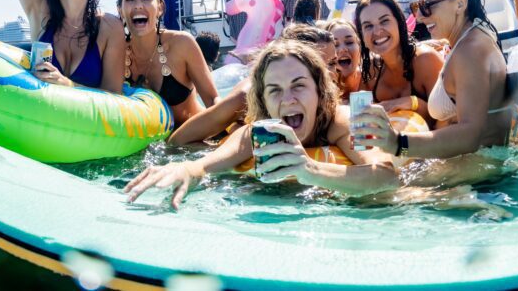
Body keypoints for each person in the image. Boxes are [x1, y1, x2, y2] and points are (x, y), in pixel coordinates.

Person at [126, 40, 398, 209]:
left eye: (299, 86)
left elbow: (386, 176)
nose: (288, 99)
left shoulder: (343, 120)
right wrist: (184, 169)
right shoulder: (256, 133)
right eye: (275, 90)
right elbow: (202, 165)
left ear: (319, 91)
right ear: (264, 101)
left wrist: (310, 170)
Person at [355, 0, 517, 160]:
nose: (421, 16)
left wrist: (398, 143)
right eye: (417, 7)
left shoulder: (470, 50)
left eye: (428, 5)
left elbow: (471, 136)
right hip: (478, 166)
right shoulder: (472, 40)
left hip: (480, 176)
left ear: (460, 3)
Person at [168, 23, 339, 146]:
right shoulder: (246, 95)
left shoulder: (335, 88)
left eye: (334, 62)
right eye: (322, 65)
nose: (331, 73)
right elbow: (179, 140)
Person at [117, 0, 219, 126]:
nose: (138, 5)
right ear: (120, 10)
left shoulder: (181, 44)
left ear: (160, 7)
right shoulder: (116, 53)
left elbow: (212, 101)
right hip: (147, 146)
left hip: (195, 142)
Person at [354, 0, 443, 123]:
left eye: (384, 21)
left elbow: (446, 118)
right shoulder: (370, 71)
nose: (377, 31)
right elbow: (361, 127)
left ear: (399, 23)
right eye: (368, 26)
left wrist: (413, 102)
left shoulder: (425, 60)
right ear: (362, 35)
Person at [323, 18, 362, 102]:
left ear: (360, 46)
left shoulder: (372, 77)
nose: (342, 49)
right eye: (335, 45)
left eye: (349, 42)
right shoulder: (320, 86)